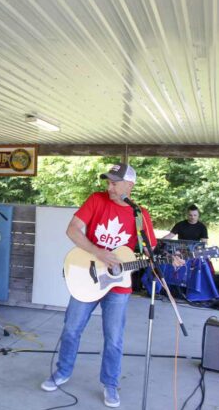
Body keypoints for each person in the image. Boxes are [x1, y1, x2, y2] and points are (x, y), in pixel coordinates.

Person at [41, 163, 171, 408]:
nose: (109, 187)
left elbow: (150, 251)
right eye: (108, 182)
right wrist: (98, 252)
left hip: (118, 285)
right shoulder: (96, 200)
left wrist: (168, 258)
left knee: (114, 338)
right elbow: (72, 230)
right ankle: (62, 372)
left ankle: (110, 384)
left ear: (129, 186)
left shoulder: (139, 214)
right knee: (71, 328)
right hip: (88, 276)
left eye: (114, 182)